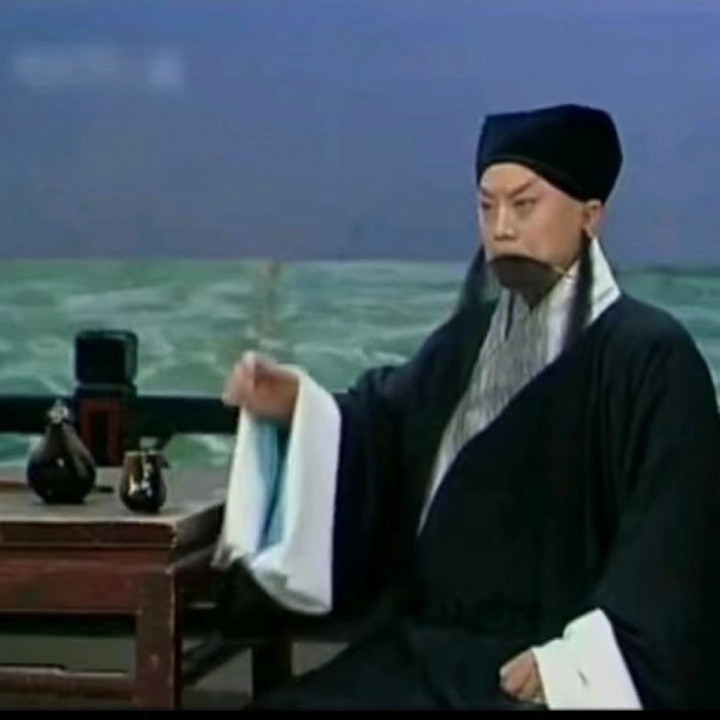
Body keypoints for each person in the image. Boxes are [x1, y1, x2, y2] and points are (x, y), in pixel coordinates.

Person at [216, 103, 720, 710]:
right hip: (427, 650)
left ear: (590, 215)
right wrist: (298, 407)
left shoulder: (650, 357)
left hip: (546, 662)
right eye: (487, 206)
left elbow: (671, 546)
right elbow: (384, 433)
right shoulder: (466, 341)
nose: (501, 227)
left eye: (524, 205)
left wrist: (572, 666)